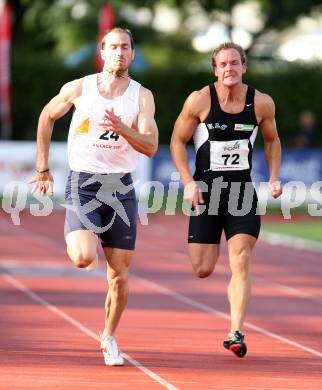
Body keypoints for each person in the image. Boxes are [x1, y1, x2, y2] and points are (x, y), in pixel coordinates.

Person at [31, 27, 158, 366]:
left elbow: (150, 145)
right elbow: (46, 116)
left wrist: (123, 129)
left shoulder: (141, 96)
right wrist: (43, 166)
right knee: (84, 258)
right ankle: (86, 236)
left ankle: (108, 337)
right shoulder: (80, 88)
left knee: (119, 275)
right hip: (83, 183)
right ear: (102, 51)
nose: (119, 52)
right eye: (113, 46)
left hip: (121, 188)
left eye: (125, 47)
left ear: (132, 53)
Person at [170, 42, 282, 358]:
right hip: (206, 191)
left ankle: (236, 330)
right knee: (203, 268)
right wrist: (188, 183)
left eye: (234, 63)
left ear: (244, 66)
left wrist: (274, 177)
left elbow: (273, 141)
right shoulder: (199, 100)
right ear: (215, 69)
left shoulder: (261, 103)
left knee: (241, 258)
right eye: (223, 64)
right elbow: (177, 141)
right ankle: (218, 268)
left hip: (241, 191)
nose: (229, 69)